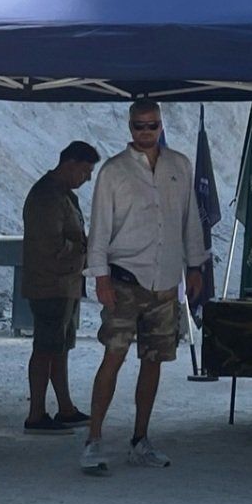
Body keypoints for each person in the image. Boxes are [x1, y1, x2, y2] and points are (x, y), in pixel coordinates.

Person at [83, 100, 208, 476]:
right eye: (139, 126)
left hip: (166, 280)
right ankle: (93, 439)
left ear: (161, 125)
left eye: (152, 125)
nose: (146, 132)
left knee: (154, 360)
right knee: (113, 356)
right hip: (124, 278)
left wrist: (195, 265)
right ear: (129, 127)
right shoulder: (113, 171)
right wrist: (100, 277)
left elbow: (190, 219)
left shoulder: (180, 166)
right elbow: (99, 227)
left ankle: (140, 439)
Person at [21, 142, 100, 433]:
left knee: (59, 348)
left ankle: (65, 408)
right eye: (85, 171)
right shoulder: (47, 196)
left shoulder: (63, 195)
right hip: (50, 284)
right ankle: (36, 414)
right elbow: (51, 245)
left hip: (65, 283)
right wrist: (84, 248)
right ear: (70, 164)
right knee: (45, 349)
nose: (87, 178)